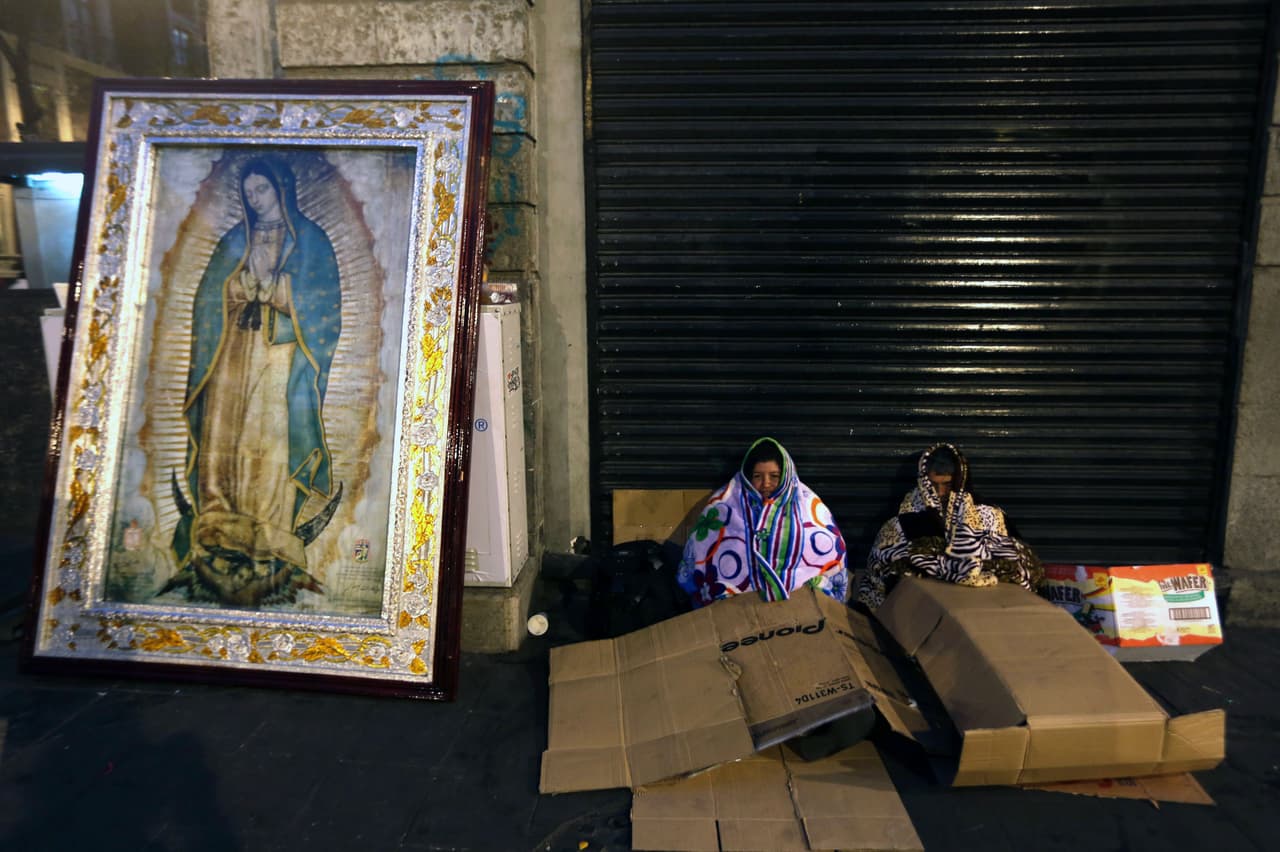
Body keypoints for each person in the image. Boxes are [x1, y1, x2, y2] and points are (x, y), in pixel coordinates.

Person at [171, 156, 343, 591]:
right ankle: (219, 521)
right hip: (233, 352)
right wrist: (237, 288)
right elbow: (210, 296)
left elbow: (325, 310)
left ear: (282, 190)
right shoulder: (235, 239)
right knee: (225, 435)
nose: (254, 198)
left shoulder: (310, 241)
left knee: (267, 435)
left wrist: (280, 292)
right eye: (248, 193)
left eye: (262, 190)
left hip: (278, 355)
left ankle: (269, 529)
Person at [855, 442, 1043, 610]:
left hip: (985, 607)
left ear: (959, 479)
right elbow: (883, 561)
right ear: (924, 480)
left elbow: (1015, 559)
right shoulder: (904, 517)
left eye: (947, 484)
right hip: (924, 606)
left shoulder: (990, 514)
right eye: (934, 484)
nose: (940, 492)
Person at [677, 437, 848, 608]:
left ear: (786, 475)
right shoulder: (724, 505)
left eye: (774, 476)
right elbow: (700, 549)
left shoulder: (808, 504)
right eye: (758, 476)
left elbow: (830, 549)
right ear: (747, 476)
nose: (766, 483)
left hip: (799, 608)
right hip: (738, 611)